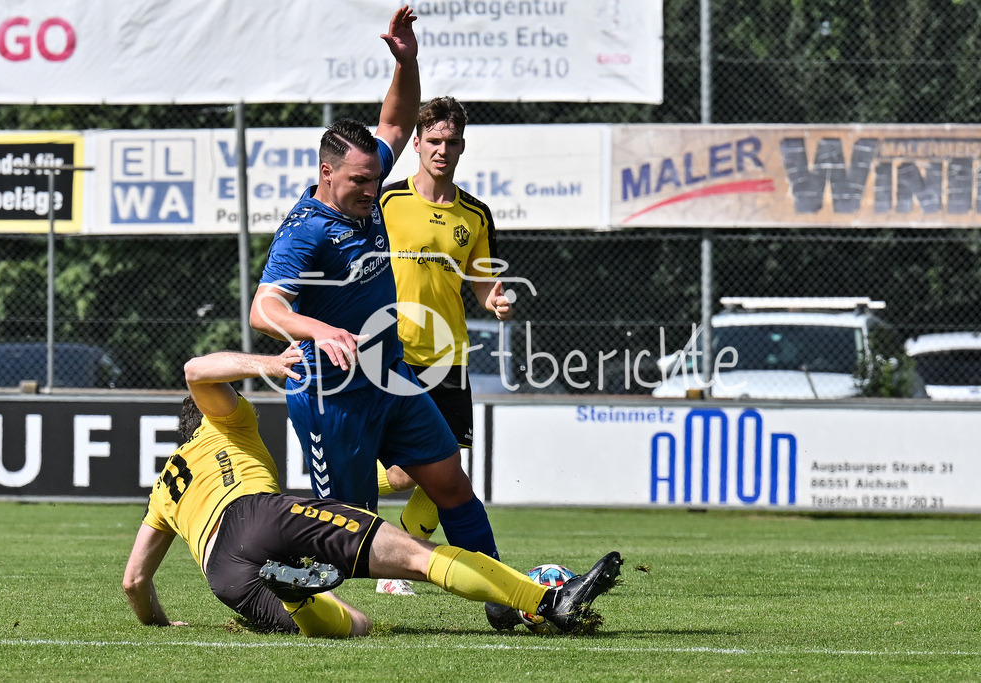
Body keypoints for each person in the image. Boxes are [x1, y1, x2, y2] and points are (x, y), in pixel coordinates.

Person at [248, 6, 519, 629]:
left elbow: (396, 119)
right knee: (345, 533)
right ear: (327, 173)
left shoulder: (366, 182)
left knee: (450, 483)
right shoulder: (305, 232)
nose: (373, 191)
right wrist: (320, 330)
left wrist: (406, 61)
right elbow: (265, 307)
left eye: (376, 177)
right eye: (360, 181)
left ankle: (506, 599)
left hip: (391, 379)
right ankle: (262, 580)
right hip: (331, 392)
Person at [121, 346, 623, 637]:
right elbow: (195, 370)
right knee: (418, 557)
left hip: (224, 574)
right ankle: (547, 599)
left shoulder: (164, 488)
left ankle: (295, 597)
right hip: (258, 515)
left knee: (355, 628)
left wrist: (160, 626)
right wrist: (267, 364)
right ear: (209, 411)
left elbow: (134, 583)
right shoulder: (228, 424)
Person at [374, 96, 513, 597]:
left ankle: (397, 570)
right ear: (416, 143)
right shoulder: (386, 203)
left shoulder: (475, 214)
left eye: (451, 142)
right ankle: (339, 484)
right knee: (403, 476)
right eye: (433, 140)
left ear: (461, 146)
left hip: (449, 356)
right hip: (391, 353)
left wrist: (495, 299)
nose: (442, 149)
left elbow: (482, 281)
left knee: (447, 470)